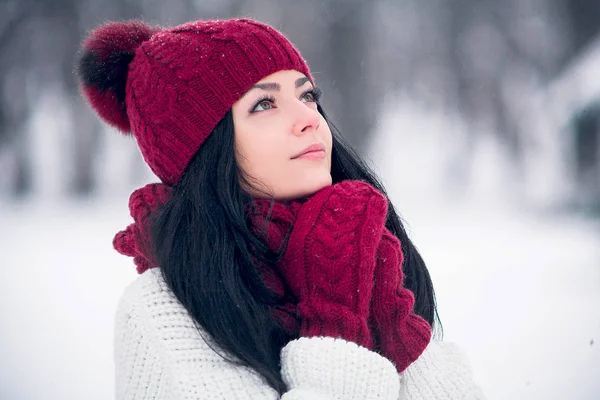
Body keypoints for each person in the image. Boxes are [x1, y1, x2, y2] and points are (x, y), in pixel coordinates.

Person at [76, 18, 485, 399]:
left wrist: (396, 336)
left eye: (307, 95)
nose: (309, 118)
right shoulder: (159, 312)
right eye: (264, 105)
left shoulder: (368, 253)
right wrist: (335, 323)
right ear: (205, 151)